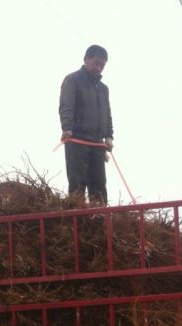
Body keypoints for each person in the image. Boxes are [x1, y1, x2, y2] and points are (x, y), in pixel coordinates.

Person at [59, 44, 114, 205]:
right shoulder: (73, 80)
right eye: (97, 63)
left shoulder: (103, 89)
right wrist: (67, 128)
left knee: (99, 186)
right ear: (86, 59)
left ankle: (100, 221)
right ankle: (77, 222)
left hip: (97, 142)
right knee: (78, 184)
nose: (99, 68)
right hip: (77, 140)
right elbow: (66, 106)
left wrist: (109, 136)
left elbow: (107, 114)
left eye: (103, 65)